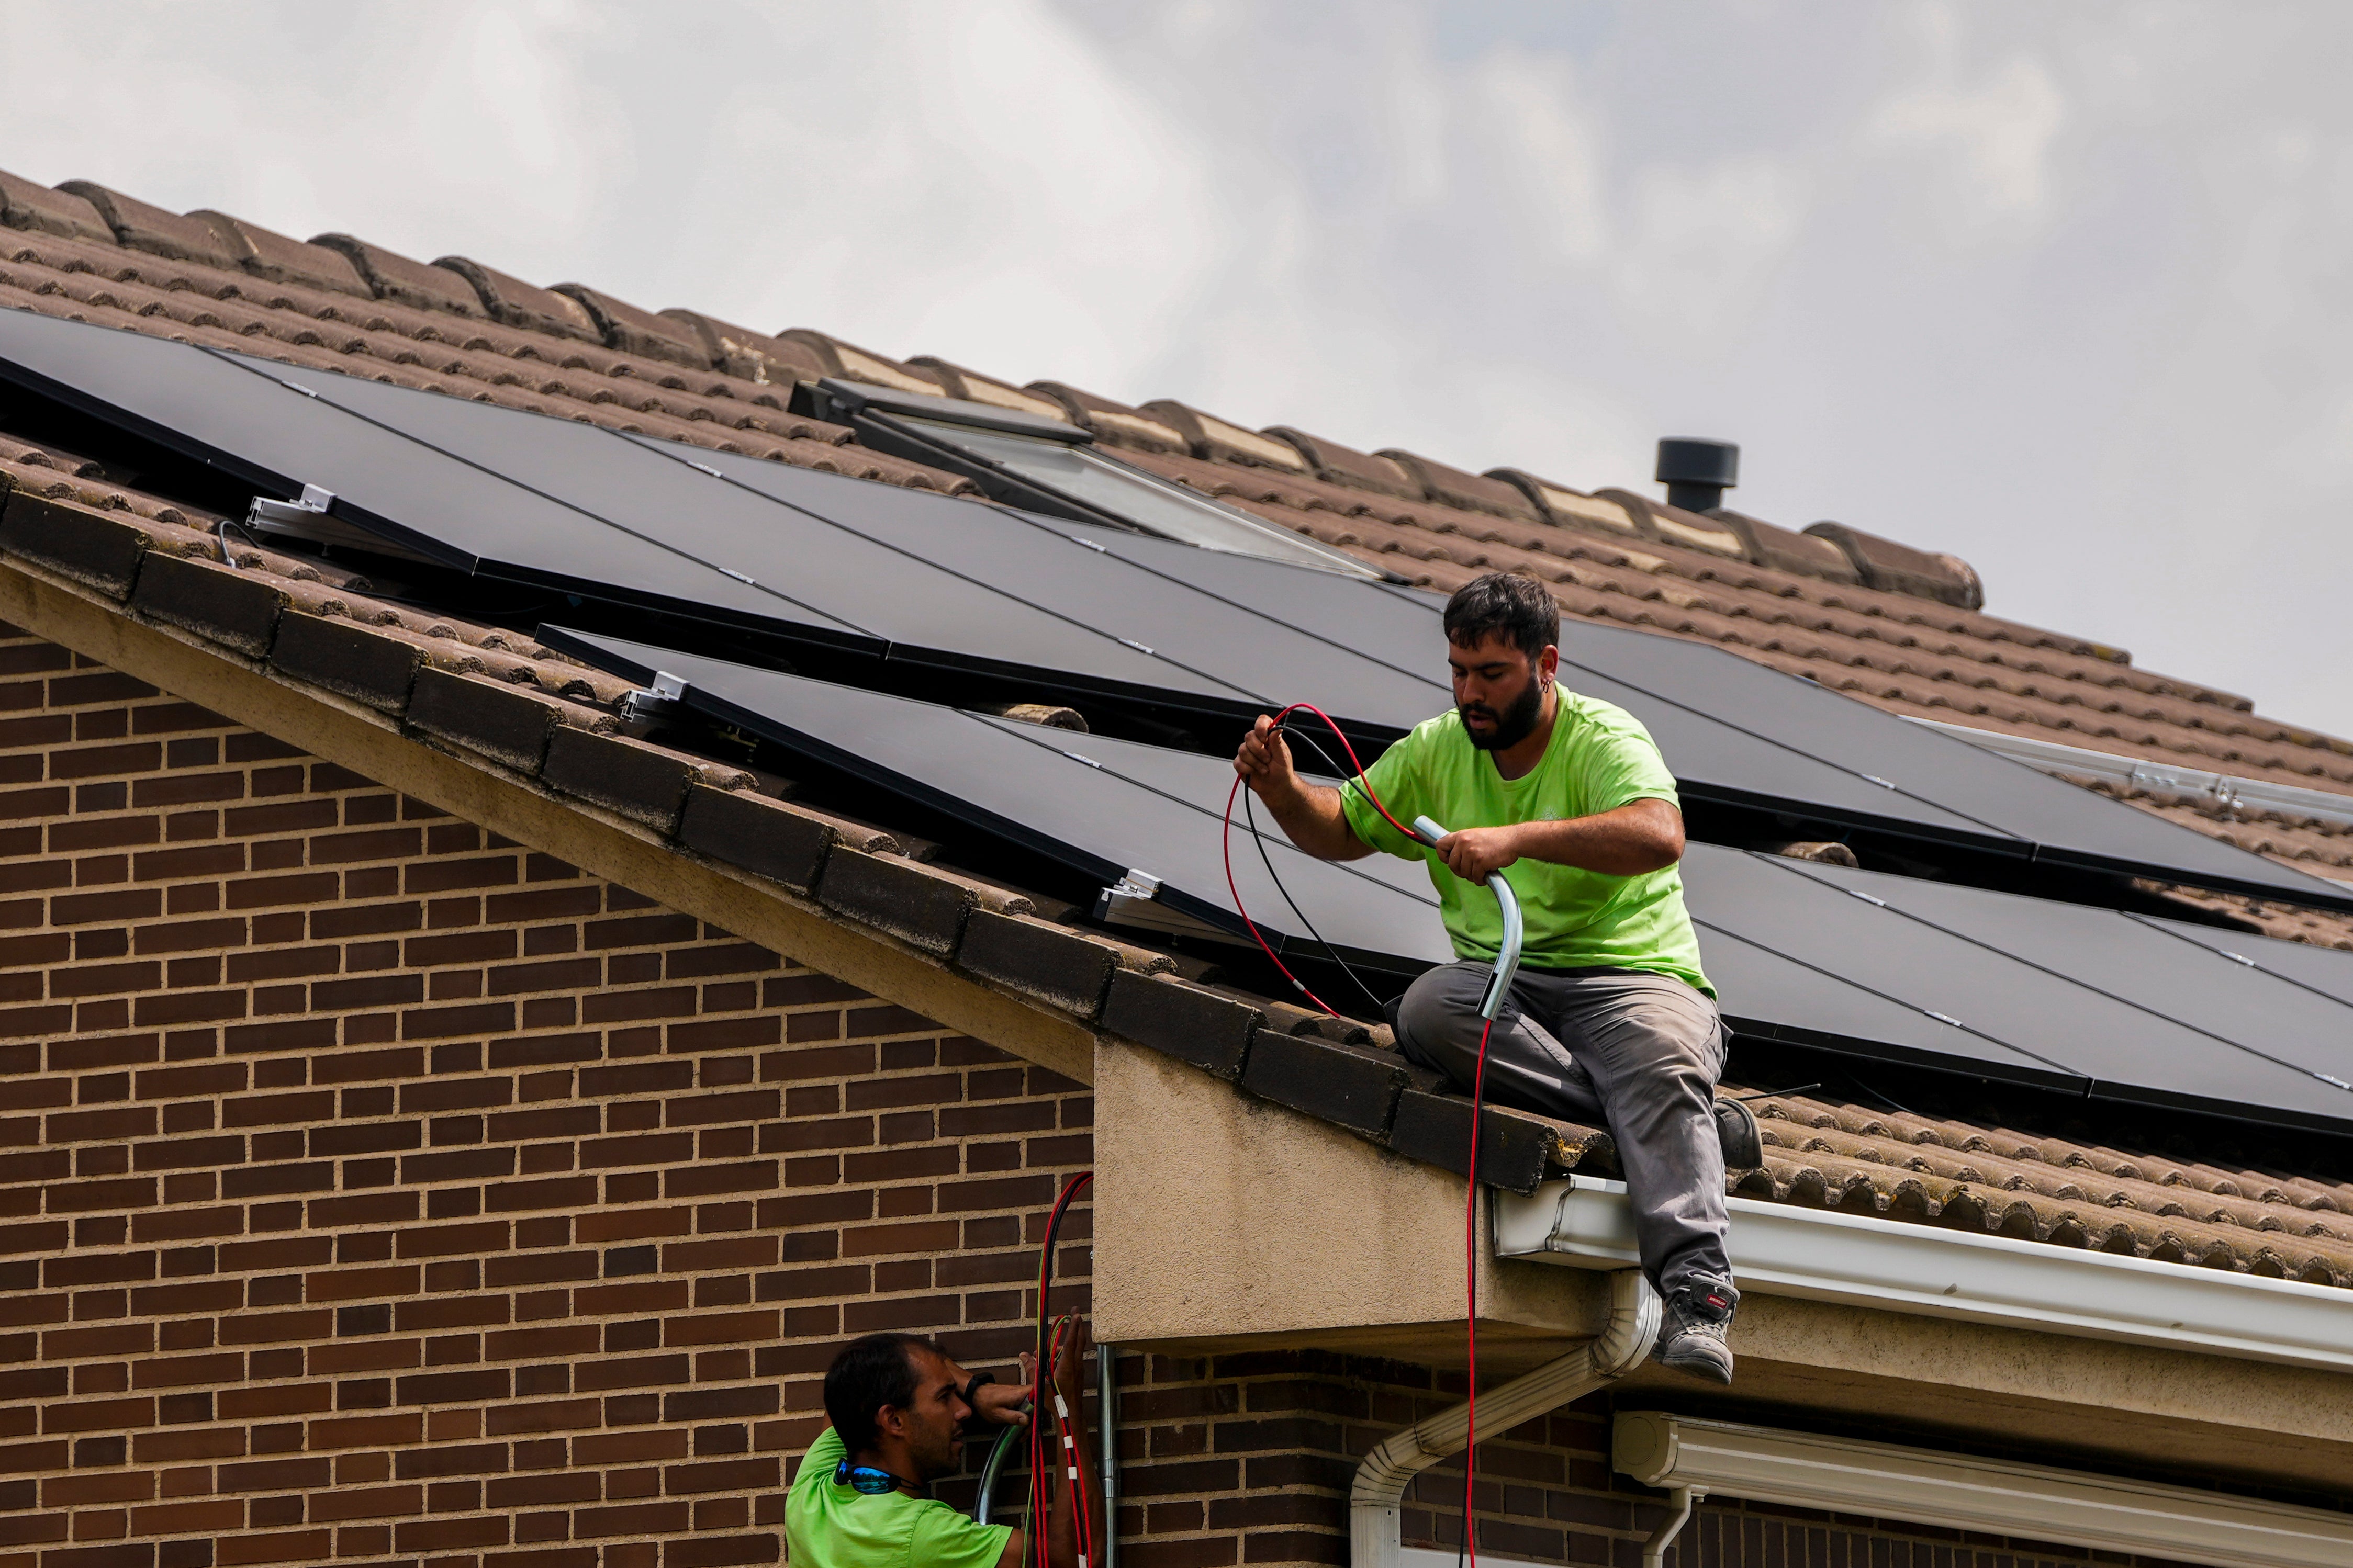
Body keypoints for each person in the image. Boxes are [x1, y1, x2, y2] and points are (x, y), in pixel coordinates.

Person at [1231, 571, 1760, 1384]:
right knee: (1429, 1009)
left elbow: (1659, 833)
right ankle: (1682, 1123)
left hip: (1633, 979)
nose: (1470, 692)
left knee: (1657, 1049)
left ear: (1546, 664)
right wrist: (1282, 789)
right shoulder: (1438, 746)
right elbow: (1342, 828)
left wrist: (1517, 839)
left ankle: (1697, 1287)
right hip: (1504, 985)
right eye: (1458, 670)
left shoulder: (1604, 738)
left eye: (1492, 674)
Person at [787, 1322, 1103, 1568]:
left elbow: (855, 1383)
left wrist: (978, 1391)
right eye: (944, 1397)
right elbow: (1074, 1560)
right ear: (894, 1421)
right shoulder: (920, 1533)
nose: (963, 1410)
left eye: (957, 1395)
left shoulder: (810, 1495)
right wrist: (1069, 1407)